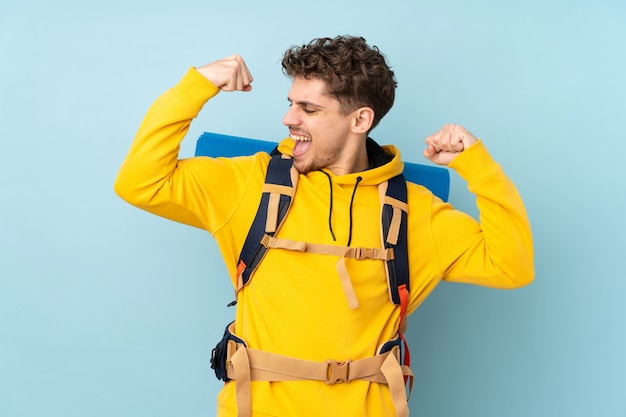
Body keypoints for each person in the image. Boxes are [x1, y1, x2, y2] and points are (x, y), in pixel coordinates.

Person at [114, 35, 534, 417]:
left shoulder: (413, 211)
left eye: (309, 109)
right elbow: (140, 183)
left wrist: (477, 166)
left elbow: (511, 266)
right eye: (291, 102)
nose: (288, 118)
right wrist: (196, 85)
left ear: (360, 121)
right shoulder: (250, 184)